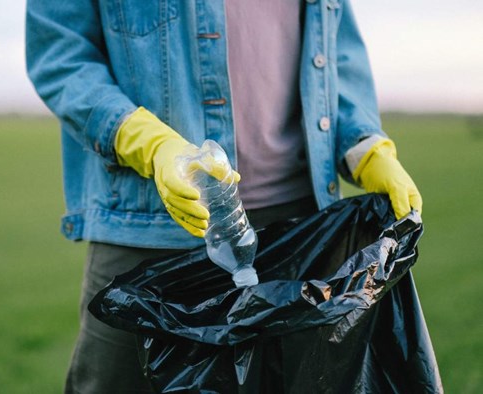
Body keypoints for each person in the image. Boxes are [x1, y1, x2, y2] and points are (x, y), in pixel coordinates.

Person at [26, 1, 422, 392]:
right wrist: (149, 144)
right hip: (146, 227)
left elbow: (336, 51)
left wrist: (365, 147)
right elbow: (61, 57)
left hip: (300, 231)